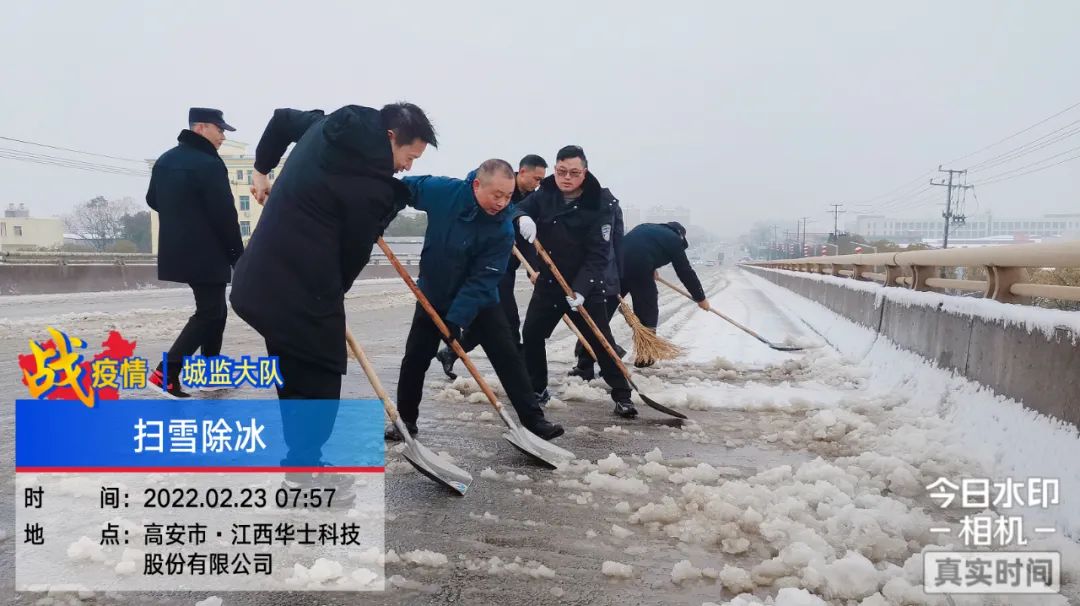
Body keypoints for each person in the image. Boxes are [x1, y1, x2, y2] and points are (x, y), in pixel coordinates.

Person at [229, 103, 436, 487]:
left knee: (294, 373)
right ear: (391, 137)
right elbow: (351, 257)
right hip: (301, 289)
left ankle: (301, 465)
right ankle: (305, 469)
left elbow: (281, 120)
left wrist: (261, 171)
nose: (408, 167)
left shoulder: (328, 126)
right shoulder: (372, 187)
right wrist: (329, 299)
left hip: (258, 280)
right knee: (321, 377)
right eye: (409, 157)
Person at [387, 159, 563, 441]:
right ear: (477, 185)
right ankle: (405, 421)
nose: (502, 203)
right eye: (497, 195)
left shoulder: (502, 229)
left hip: (481, 300)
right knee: (415, 358)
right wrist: (381, 215)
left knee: (507, 356)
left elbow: (483, 279)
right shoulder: (444, 192)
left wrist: (456, 320)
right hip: (434, 293)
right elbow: (403, 188)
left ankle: (534, 421)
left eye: (508, 196)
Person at [515, 145, 638, 419]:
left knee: (600, 340)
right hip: (550, 282)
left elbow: (599, 254)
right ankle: (537, 388)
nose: (566, 178)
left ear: (585, 172)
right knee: (532, 334)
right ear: (555, 169)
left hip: (586, 286)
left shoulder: (601, 203)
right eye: (561, 171)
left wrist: (582, 289)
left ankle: (622, 395)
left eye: (573, 172)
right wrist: (521, 217)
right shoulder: (545, 193)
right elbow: (517, 208)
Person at [147, 107, 243, 399]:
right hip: (207, 250)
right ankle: (165, 373)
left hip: (178, 248)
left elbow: (152, 199)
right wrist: (238, 256)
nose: (223, 136)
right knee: (210, 313)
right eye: (220, 129)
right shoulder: (209, 164)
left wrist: (181, 216)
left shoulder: (165, 160)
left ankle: (210, 375)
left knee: (215, 311)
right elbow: (224, 215)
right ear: (201, 127)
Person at [434, 154, 548, 378]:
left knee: (490, 322)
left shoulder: (533, 199)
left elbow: (528, 241)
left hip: (507, 267)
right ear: (522, 172)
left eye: (541, 180)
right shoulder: (501, 188)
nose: (538, 184)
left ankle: (451, 352)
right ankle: (520, 374)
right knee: (508, 320)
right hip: (489, 266)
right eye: (536, 178)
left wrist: (533, 270)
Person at [569, 221, 710, 376]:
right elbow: (685, 271)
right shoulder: (675, 240)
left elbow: (639, 248)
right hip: (639, 271)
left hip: (616, 269)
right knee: (647, 311)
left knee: (600, 314)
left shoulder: (645, 227)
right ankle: (645, 356)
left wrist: (652, 266)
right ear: (681, 235)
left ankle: (584, 365)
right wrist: (700, 298)